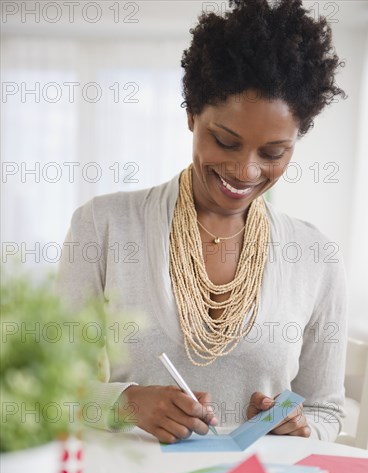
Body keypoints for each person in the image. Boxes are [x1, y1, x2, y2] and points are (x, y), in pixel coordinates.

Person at [58, 0, 348, 443]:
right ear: (192, 113)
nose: (245, 171)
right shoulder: (103, 226)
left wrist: (299, 425)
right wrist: (126, 402)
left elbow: (326, 409)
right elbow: (50, 390)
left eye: (272, 153)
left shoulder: (316, 257)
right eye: (226, 141)